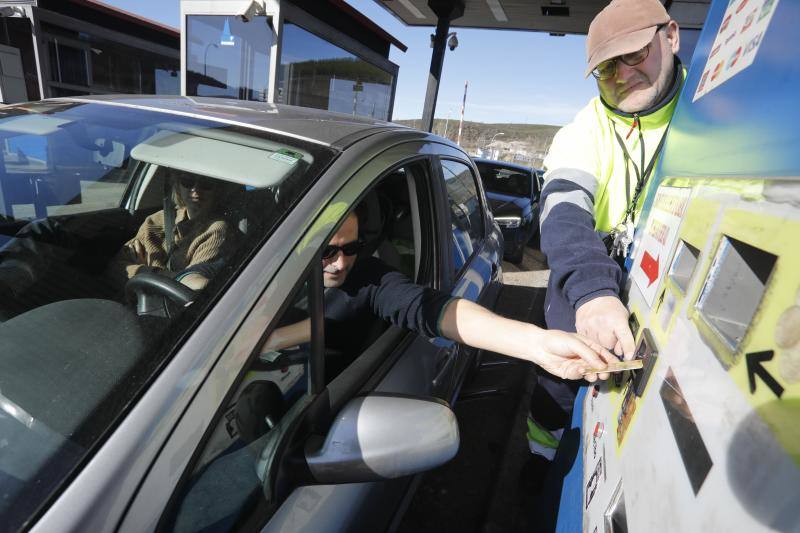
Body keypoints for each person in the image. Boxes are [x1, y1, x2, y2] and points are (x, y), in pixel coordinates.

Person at [531, 0, 684, 453]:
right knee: (555, 381)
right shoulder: (583, 131)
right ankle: (538, 458)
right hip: (586, 284)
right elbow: (562, 211)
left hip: (670, 297)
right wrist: (594, 294)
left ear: (671, 36)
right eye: (606, 69)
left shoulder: (712, 110)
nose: (621, 77)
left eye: (634, 55)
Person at [263, 209, 614, 382]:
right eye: (327, 252)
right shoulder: (268, 273)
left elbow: (435, 310)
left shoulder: (371, 279)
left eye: (352, 247)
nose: (341, 264)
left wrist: (537, 344)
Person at [109, 169, 238, 291]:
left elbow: (190, 285)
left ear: (218, 190)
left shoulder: (217, 230)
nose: (195, 190)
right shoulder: (155, 220)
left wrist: (144, 271)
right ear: (177, 186)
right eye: (187, 181)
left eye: (206, 184)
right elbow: (116, 269)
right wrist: (148, 272)